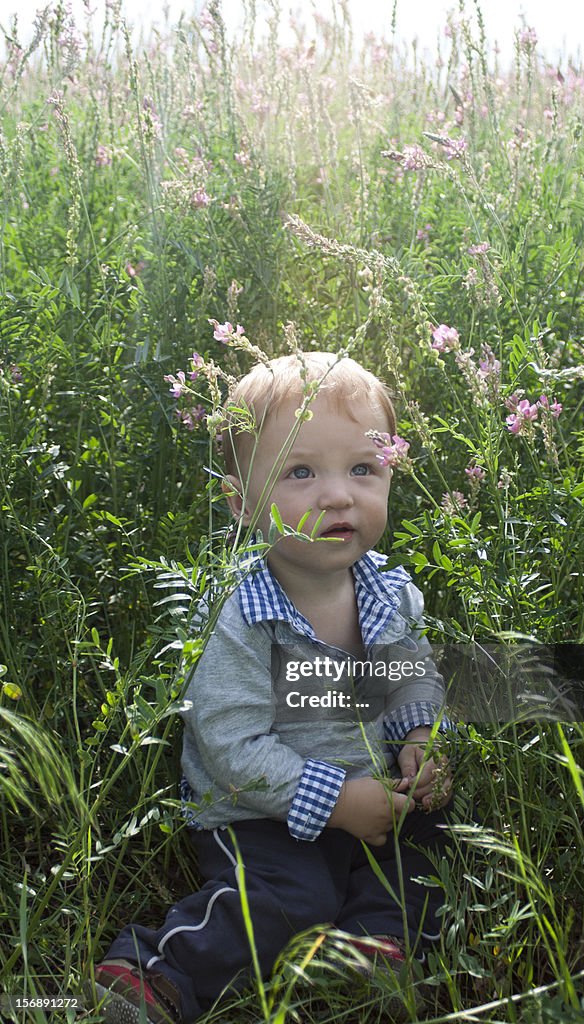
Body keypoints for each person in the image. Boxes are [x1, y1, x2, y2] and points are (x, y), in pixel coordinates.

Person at [90, 352, 453, 1023]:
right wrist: (339, 801)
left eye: (363, 469)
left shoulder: (391, 593)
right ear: (242, 501)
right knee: (291, 894)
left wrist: (421, 739)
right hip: (261, 809)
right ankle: (157, 971)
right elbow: (229, 744)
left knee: (430, 845)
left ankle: (372, 948)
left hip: (373, 791)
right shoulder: (242, 615)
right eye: (300, 471)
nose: (338, 495)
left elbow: (409, 679)